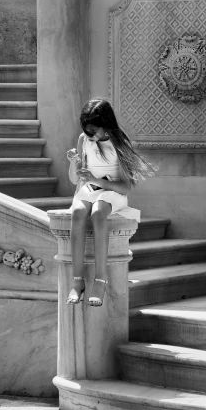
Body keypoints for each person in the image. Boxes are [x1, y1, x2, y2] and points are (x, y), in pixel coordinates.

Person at [66, 98, 155, 307]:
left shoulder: (118, 142)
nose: (89, 136)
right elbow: (74, 180)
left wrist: (96, 181)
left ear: (105, 124)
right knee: (78, 212)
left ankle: (100, 280)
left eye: (93, 131)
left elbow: (125, 186)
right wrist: (73, 164)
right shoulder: (84, 139)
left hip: (112, 191)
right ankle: (77, 281)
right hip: (90, 189)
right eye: (86, 131)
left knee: (98, 213)